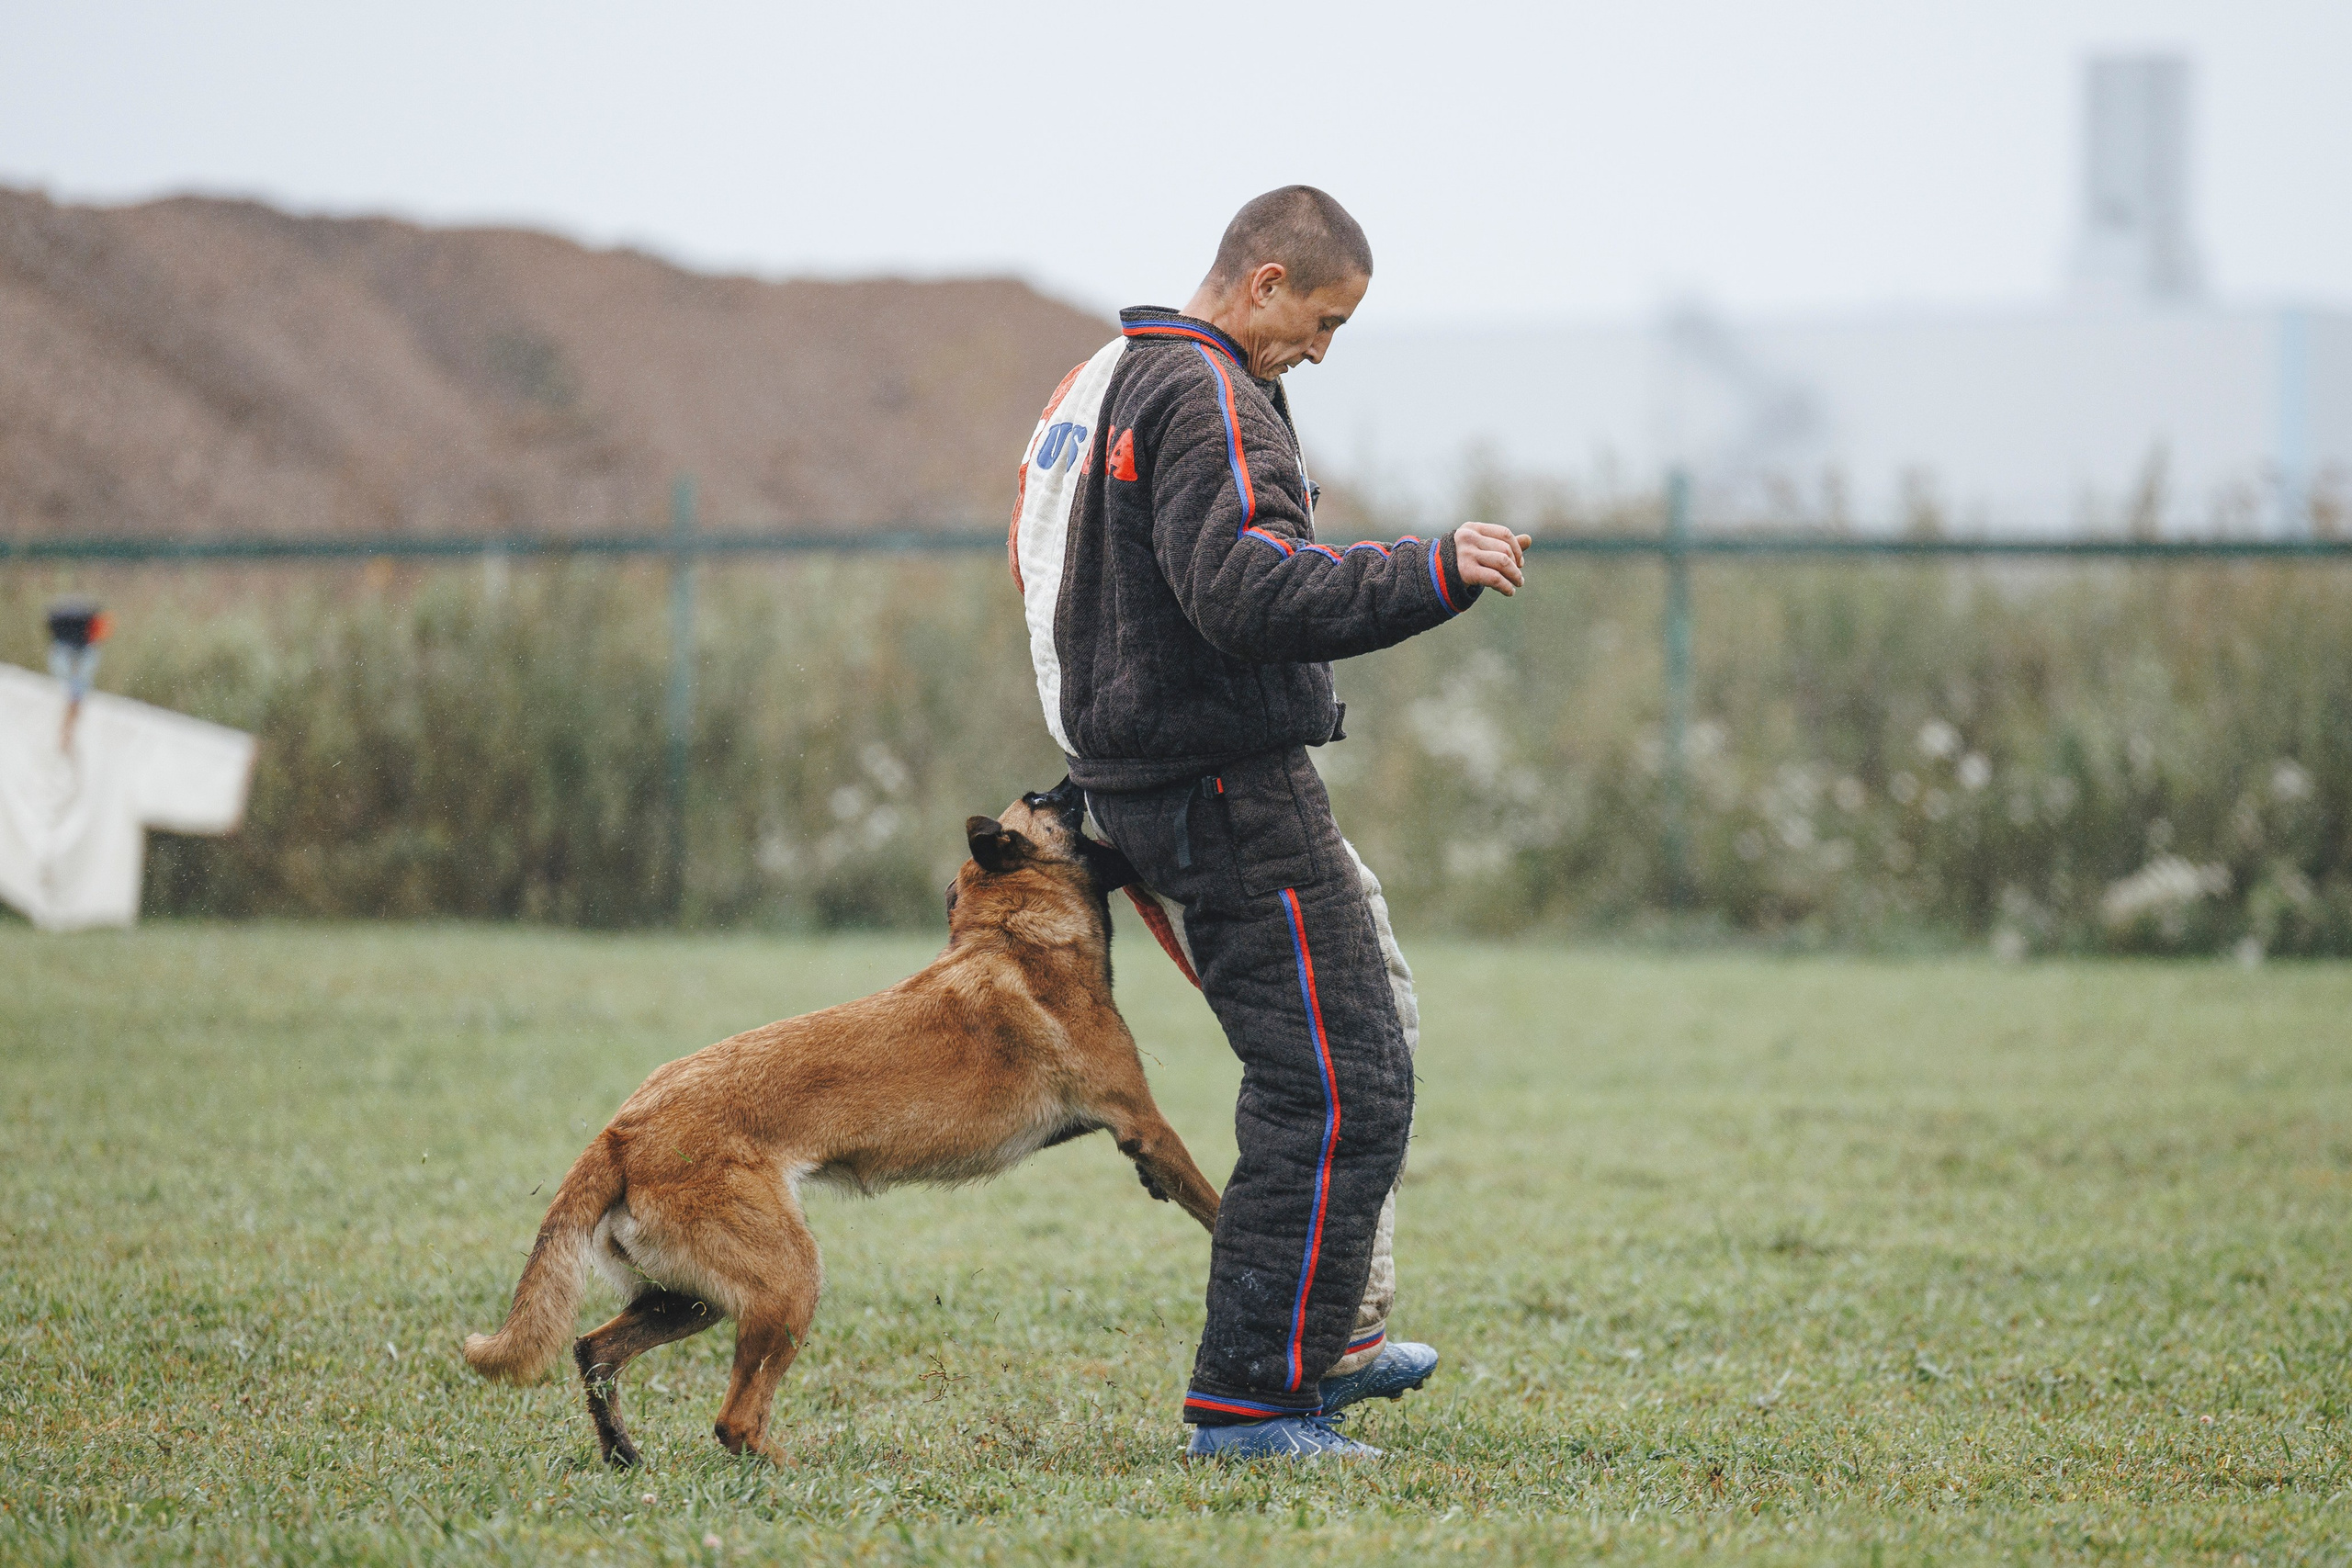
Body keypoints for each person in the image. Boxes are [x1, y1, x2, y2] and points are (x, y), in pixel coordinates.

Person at [1007, 186, 1531, 1461]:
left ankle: (1330, 1336)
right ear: (1265, 282)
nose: (1323, 348)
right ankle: (1251, 1401)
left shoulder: (1115, 374)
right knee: (1337, 1081)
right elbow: (1245, 588)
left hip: (1154, 772)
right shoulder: (1206, 392)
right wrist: (1431, 570)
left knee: (1369, 1024)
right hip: (1224, 787)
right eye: (1322, 318)